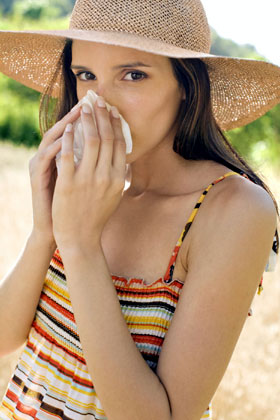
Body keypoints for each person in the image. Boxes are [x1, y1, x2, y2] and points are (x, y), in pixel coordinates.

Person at [0, 0, 279, 419]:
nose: (99, 101)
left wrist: (80, 247)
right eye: (85, 75)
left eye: (133, 74)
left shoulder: (235, 210)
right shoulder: (88, 189)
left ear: (186, 84)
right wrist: (46, 232)